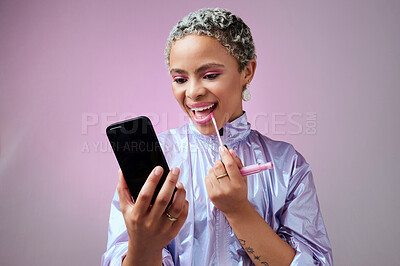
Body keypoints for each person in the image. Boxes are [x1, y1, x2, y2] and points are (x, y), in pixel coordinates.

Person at [101, 8, 333, 266]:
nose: (193, 92)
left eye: (210, 75)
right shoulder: (157, 160)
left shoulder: (287, 164)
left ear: (247, 71)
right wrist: (144, 245)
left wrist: (239, 211)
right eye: (180, 78)